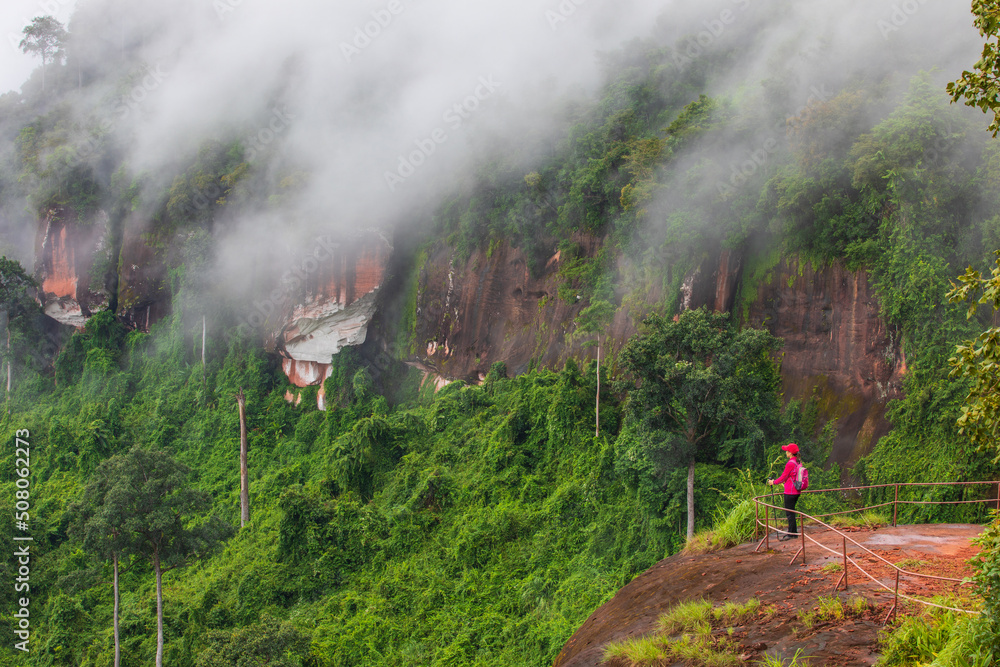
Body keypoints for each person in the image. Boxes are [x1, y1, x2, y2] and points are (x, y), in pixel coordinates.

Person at [767, 443, 802, 541]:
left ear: (790, 453)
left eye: (787, 451)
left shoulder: (790, 463)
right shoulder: (798, 462)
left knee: (789, 513)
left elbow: (783, 477)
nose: (785, 452)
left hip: (790, 491)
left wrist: (773, 482)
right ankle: (792, 532)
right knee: (792, 512)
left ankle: (792, 534)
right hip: (797, 491)